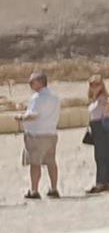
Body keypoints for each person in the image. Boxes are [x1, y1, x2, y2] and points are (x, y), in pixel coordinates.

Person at [19, 72, 61, 200]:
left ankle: (34, 190)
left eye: (32, 82)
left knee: (35, 163)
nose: (30, 84)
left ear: (40, 82)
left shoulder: (37, 98)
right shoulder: (55, 97)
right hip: (51, 133)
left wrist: (21, 117)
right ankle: (54, 188)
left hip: (37, 134)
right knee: (51, 162)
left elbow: (33, 114)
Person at [82, 76, 109, 193]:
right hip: (96, 128)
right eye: (92, 85)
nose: (94, 87)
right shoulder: (94, 99)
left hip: (102, 128)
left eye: (97, 84)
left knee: (103, 155)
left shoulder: (103, 98)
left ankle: (101, 182)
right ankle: (107, 182)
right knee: (101, 156)